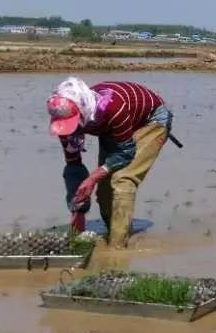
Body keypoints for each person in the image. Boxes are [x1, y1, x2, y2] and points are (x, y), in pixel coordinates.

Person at [47, 78, 175, 248]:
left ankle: (117, 248)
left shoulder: (112, 107)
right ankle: (114, 230)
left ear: (84, 110)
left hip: (151, 120)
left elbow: (126, 153)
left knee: (123, 179)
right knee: (105, 186)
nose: (72, 129)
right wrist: (78, 210)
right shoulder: (65, 122)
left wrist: (92, 177)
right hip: (112, 128)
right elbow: (73, 166)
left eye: (74, 122)